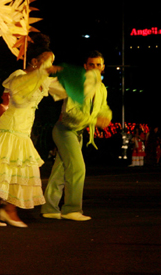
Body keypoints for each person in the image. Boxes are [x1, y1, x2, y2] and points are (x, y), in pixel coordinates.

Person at [0, 33, 64, 228]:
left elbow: (67, 89)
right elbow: (21, 97)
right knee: (8, 171)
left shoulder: (44, 81)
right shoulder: (20, 76)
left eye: (52, 62)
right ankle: (9, 210)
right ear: (34, 61)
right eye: (47, 62)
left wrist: (87, 81)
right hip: (11, 127)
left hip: (23, 130)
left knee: (10, 173)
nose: (50, 66)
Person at [41, 50, 111, 221]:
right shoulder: (77, 85)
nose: (94, 68)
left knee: (60, 170)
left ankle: (49, 208)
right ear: (85, 67)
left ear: (103, 67)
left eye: (98, 65)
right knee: (78, 168)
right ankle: (71, 209)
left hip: (76, 133)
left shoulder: (101, 88)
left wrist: (105, 116)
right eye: (91, 65)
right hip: (65, 130)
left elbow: (103, 107)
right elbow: (70, 113)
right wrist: (95, 120)